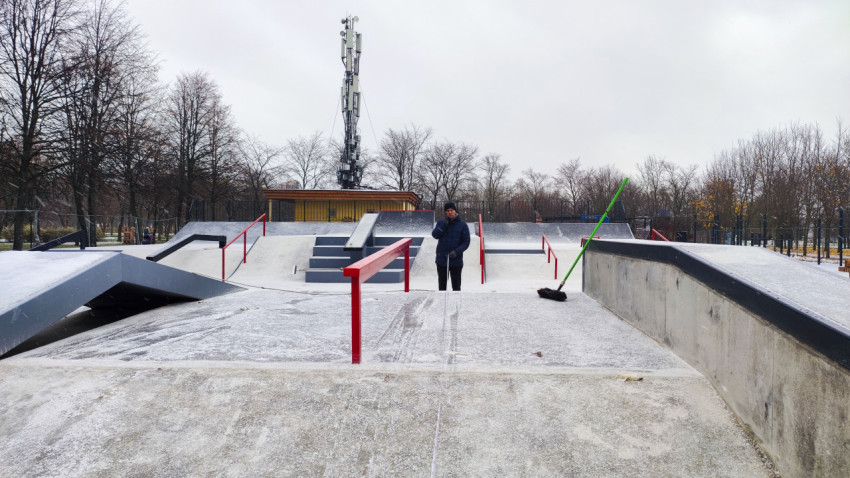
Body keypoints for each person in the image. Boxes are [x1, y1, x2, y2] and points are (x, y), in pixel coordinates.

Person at [431, 202, 470, 291]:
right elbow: (435, 235)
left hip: (456, 261)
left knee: (456, 286)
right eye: (447, 211)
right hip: (442, 260)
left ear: (455, 211)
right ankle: (442, 303)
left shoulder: (462, 225)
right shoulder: (441, 223)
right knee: (442, 286)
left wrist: (456, 252)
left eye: (451, 210)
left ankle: (456, 303)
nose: (449, 212)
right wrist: (444, 224)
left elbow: (466, 242)